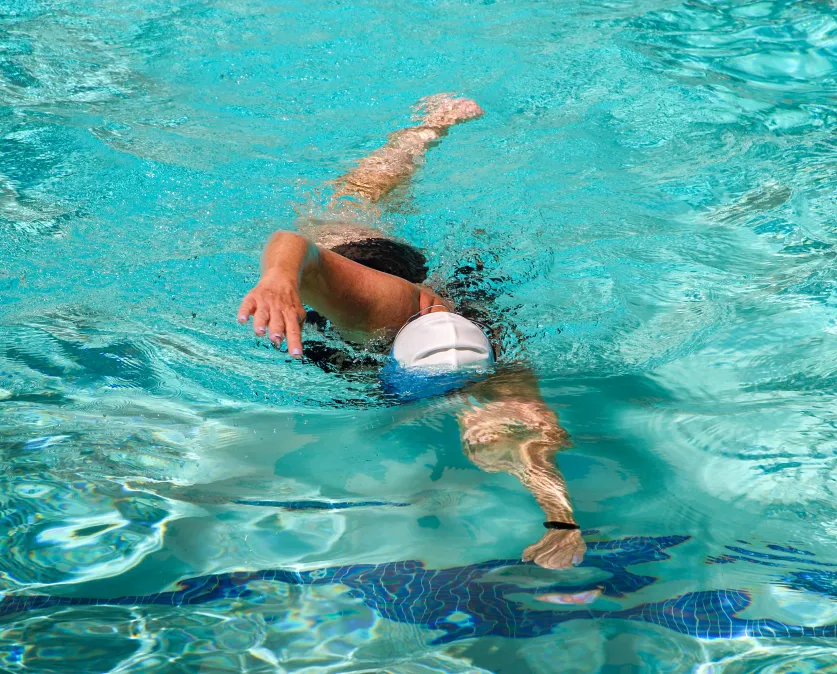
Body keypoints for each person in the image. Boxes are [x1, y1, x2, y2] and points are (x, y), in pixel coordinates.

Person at [237, 94, 586, 569]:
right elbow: (292, 243)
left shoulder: (500, 358)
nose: (465, 400)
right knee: (354, 200)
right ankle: (424, 129)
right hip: (365, 260)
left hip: (441, 319)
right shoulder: (380, 313)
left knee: (496, 428)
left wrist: (560, 521)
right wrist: (279, 280)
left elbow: (533, 443)